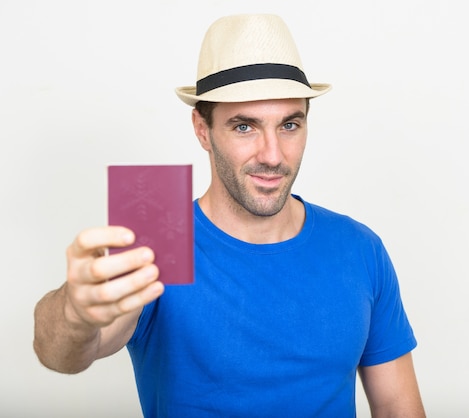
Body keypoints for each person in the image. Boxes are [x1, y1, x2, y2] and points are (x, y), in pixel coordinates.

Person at [33, 13, 426, 417]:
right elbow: (65, 353)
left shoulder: (358, 248)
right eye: (244, 127)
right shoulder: (156, 239)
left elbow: (398, 407)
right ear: (202, 129)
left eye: (290, 124)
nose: (273, 155)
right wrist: (75, 313)